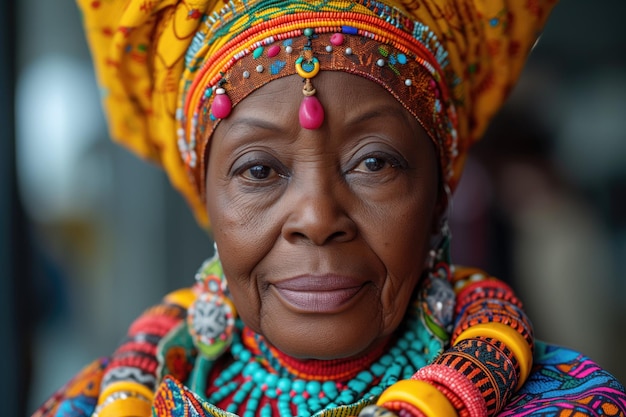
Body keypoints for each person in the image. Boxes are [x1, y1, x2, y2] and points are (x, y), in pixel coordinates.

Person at [33, 0, 626, 416]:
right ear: (205, 196)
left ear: (441, 193)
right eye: (259, 170)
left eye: (374, 163)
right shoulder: (101, 404)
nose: (317, 219)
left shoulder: (569, 405)